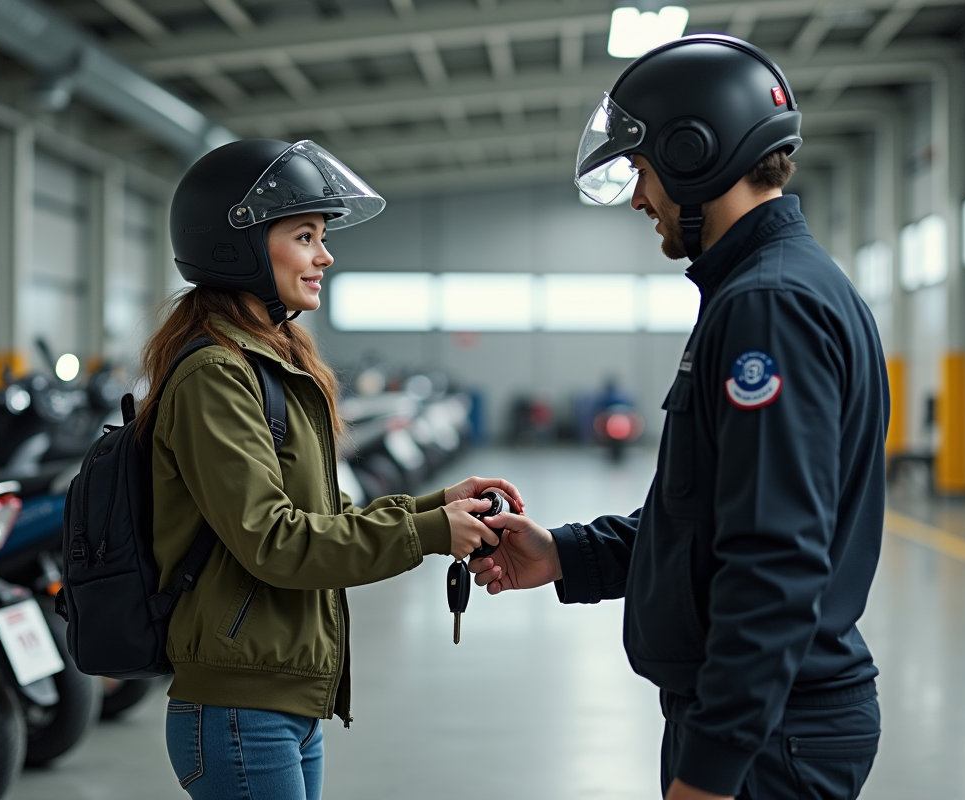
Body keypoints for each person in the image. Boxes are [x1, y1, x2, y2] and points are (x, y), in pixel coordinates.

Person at [470, 35, 888, 800]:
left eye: (643, 170)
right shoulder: (766, 291)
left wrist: (713, 769)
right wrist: (566, 554)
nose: (638, 197)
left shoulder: (769, 308)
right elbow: (708, 519)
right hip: (769, 724)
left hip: (768, 739)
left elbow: (774, 560)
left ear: (695, 153)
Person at [141, 139, 522, 800]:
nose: (326, 255)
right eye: (306, 236)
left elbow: (324, 519)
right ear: (240, 246)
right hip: (240, 708)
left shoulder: (268, 364)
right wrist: (431, 535)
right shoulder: (216, 377)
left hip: (279, 698)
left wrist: (437, 508)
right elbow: (274, 541)